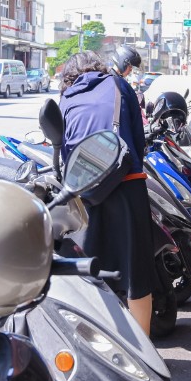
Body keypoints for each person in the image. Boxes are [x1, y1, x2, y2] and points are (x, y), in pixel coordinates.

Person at [60, 50, 156, 335]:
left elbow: (66, 150)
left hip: (84, 193)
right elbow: (138, 141)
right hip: (128, 183)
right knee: (136, 275)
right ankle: (147, 354)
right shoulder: (119, 85)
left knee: (88, 273)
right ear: (100, 67)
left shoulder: (66, 97)